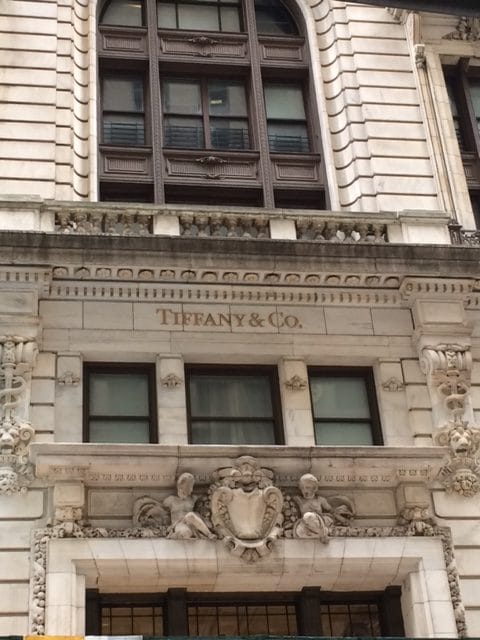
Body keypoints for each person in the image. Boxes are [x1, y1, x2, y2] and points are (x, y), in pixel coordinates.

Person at [163, 472, 215, 539]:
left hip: (191, 523)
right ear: (181, 486)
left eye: (191, 486)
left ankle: (209, 534)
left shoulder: (193, 499)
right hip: (179, 525)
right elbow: (161, 510)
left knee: (190, 515)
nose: (191, 489)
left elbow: (206, 494)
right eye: (189, 486)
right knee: (185, 532)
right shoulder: (170, 500)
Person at [293, 473, 333, 541]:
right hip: (305, 524)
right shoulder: (298, 500)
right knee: (299, 531)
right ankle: (321, 534)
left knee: (308, 516)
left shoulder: (320, 500)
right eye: (302, 488)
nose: (305, 490)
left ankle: (322, 532)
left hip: (318, 522)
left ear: (314, 488)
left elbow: (331, 511)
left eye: (307, 487)